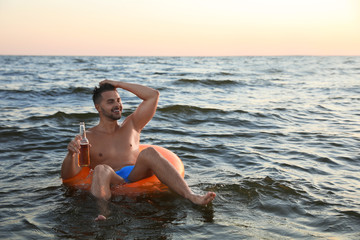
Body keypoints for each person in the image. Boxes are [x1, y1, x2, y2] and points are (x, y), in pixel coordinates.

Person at [61, 80, 216, 220]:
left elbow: (153, 96)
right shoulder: (87, 137)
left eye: (119, 100)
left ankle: (192, 196)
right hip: (111, 178)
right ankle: (103, 213)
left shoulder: (132, 125)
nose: (117, 105)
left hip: (135, 173)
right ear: (98, 107)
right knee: (101, 169)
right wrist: (70, 154)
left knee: (149, 152)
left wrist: (118, 84)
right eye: (110, 102)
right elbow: (69, 176)